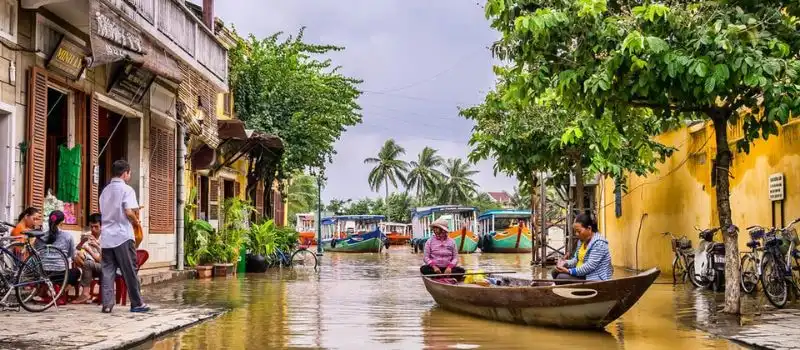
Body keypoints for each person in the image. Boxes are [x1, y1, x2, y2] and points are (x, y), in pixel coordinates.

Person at [99, 160, 149, 313]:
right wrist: (136, 221)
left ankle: (107, 304)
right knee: (129, 270)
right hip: (122, 235)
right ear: (125, 173)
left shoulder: (105, 191)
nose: (130, 175)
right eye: (129, 173)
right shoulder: (127, 190)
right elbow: (128, 212)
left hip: (106, 236)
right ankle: (137, 303)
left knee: (107, 271)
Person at [553, 213, 613, 281]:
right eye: (575, 231)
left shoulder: (599, 243)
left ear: (589, 228)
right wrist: (565, 262)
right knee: (555, 271)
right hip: (582, 274)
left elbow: (589, 267)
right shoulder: (581, 241)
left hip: (593, 277)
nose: (576, 234)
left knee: (561, 278)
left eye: (579, 231)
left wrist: (569, 271)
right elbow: (576, 260)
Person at [37, 210, 81, 287]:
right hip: (60, 275)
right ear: (61, 222)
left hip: (42, 274)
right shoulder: (68, 236)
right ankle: (62, 291)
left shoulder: (40, 236)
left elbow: (37, 252)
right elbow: (72, 255)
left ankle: (49, 290)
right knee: (78, 271)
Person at [72, 213, 103, 304]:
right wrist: (80, 248)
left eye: (96, 227)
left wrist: (93, 247)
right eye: (91, 227)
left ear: (102, 226)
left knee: (87, 264)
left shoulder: (105, 238)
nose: (93, 229)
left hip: (104, 266)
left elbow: (101, 260)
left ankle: (85, 293)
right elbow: (77, 248)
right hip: (89, 264)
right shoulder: (88, 236)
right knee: (78, 258)